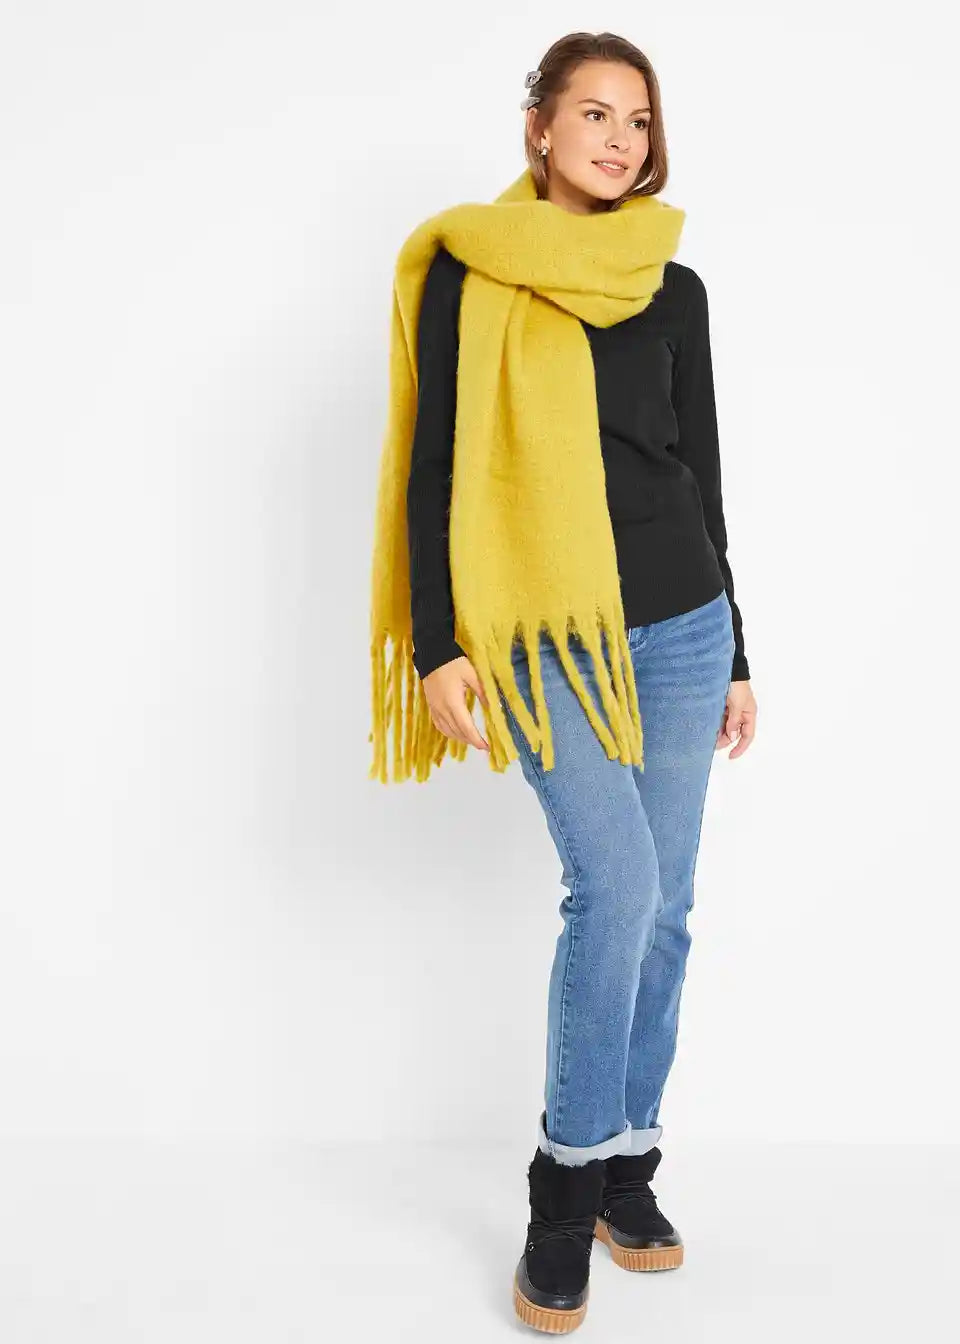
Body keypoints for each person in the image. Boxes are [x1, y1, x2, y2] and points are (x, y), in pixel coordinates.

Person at [379, 30, 758, 1335]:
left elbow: (703, 473)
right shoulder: (473, 273)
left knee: (668, 911)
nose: (618, 139)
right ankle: (564, 1188)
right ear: (539, 125)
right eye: (594, 113)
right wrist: (437, 642)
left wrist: (737, 647)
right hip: (545, 638)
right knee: (618, 889)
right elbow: (435, 466)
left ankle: (627, 1168)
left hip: (682, 628)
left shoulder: (673, 285)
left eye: (637, 120)